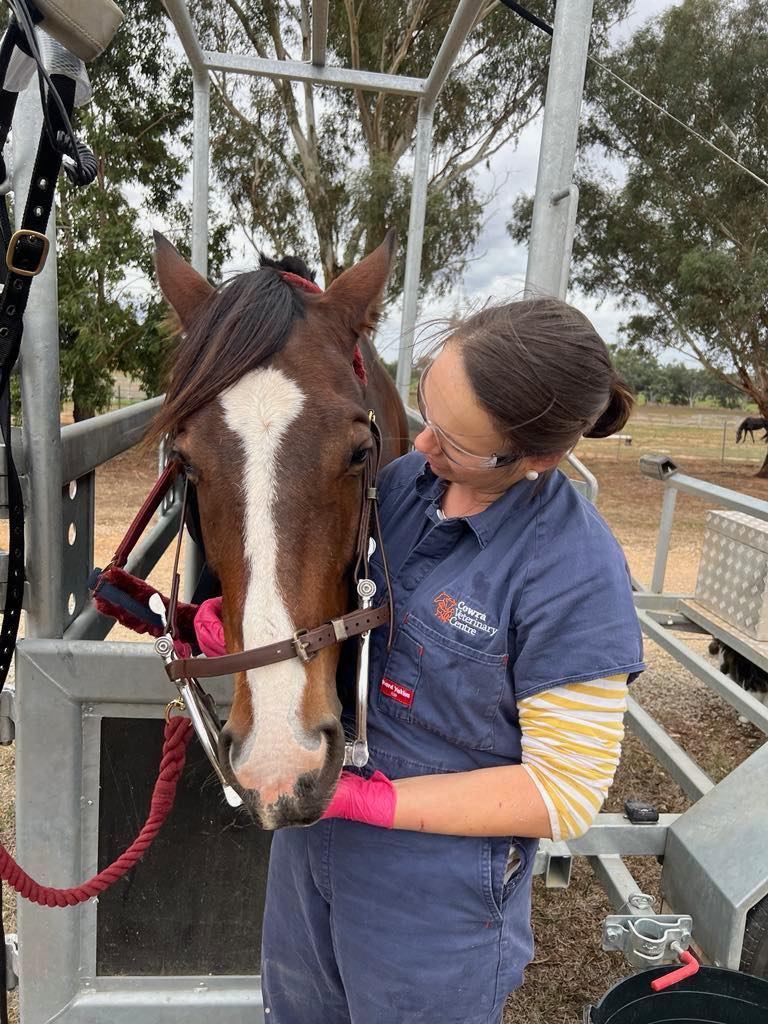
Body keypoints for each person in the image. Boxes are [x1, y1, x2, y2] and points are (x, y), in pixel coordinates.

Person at [258, 297, 645, 1024]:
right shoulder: (405, 485)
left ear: (538, 457)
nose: (426, 445)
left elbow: (563, 791)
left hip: (431, 901)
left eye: (458, 444)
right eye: (428, 413)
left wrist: (370, 799)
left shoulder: (574, 573)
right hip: (313, 852)